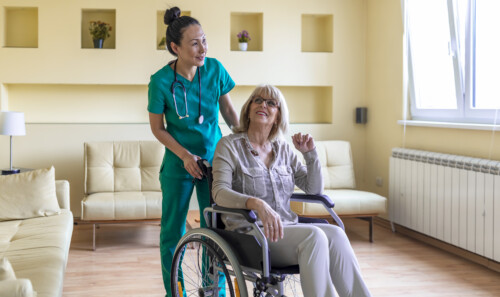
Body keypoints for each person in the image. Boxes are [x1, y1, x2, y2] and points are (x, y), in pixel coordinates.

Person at [211, 85, 372, 297]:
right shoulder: (229, 146)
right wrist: (256, 204)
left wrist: (310, 154)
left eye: (271, 103)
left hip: (286, 229)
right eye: (257, 100)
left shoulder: (283, 149)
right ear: (248, 109)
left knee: (335, 233)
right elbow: (219, 192)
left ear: (278, 116)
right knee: (314, 236)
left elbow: (314, 189)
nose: (263, 105)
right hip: (251, 235)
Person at [147, 7, 239, 297]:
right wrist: (186, 156)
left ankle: (214, 291)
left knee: (215, 231)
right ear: (175, 48)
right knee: (171, 234)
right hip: (178, 165)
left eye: (204, 40)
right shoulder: (160, 82)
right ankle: (176, 292)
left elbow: (227, 110)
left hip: (214, 162)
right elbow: (158, 128)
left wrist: (243, 139)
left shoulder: (214, 69)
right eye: (195, 43)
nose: (203, 48)